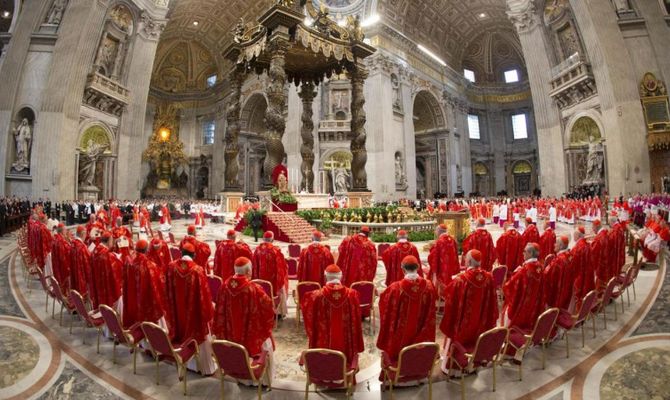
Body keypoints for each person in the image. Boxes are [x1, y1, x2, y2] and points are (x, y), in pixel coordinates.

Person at [212, 257, 275, 386]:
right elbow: (268, 308)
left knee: (235, 347)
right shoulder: (254, 288)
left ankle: (236, 374)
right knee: (265, 344)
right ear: (248, 272)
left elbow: (219, 310)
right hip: (251, 334)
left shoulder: (224, 286)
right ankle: (258, 381)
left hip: (231, 334)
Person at [440, 250, 498, 374]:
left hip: (463, 324)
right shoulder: (488, 277)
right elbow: (493, 300)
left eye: (465, 258)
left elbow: (449, 297)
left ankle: (455, 369)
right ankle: (476, 360)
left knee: (457, 334)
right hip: (481, 320)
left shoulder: (461, 280)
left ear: (469, 261)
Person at [164, 242, 216, 374]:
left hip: (177, 312)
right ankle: (204, 368)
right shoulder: (197, 270)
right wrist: (209, 313)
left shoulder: (171, 267)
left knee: (181, 330)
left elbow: (167, 291)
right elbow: (204, 296)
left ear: (181, 253)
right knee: (200, 335)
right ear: (194, 255)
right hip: (194, 314)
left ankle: (186, 361)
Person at [302, 265, 364, 369]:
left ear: (325, 276)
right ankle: (345, 370)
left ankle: (324, 371)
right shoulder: (352, 295)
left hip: (323, 340)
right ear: (341, 277)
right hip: (345, 341)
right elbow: (356, 321)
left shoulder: (315, 296)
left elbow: (308, 315)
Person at [377, 256, 436, 364]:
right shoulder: (429, 286)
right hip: (422, 332)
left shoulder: (395, 288)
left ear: (402, 269)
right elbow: (432, 310)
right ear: (418, 268)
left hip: (400, 336)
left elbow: (385, 306)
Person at [122, 240, 168, 329]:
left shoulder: (128, 260)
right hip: (145, 302)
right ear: (147, 250)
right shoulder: (149, 265)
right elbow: (158, 284)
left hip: (132, 298)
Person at [502, 243, 545, 330]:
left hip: (520, 307)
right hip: (533, 306)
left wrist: (511, 276)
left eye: (524, 251)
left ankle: (508, 337)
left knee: (506, 313)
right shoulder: (540, 266)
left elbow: (509, 286)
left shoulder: (524, 270)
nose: (522, 253)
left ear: (530, 254)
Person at [252, 231, 288, 317]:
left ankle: (261, 310)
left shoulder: (257, 250)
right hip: (273, 280)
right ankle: (277, 313)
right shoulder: (276, 250)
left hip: (260, 278)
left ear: (263, 239)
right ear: (272, 239)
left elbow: (254, 265)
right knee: (279, 289)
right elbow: (281, 267)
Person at [88, 232, 122, 310]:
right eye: (111, 240)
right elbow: (115, 268)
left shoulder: (96, 249)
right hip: (105, 285)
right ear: (108, 241)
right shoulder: (106, 254)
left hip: (98, 283)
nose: (112, 242)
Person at [427, 224, 460, 291]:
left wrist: (434, 268)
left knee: (443, 280)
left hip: (442, 268)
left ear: (439, 231)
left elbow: (434, 256)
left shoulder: (439, 241)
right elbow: (456, 253)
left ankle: (443, 294)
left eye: (436, 230)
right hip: (452, 265)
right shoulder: (452, 239)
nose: (435, 232)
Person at [543, 236, 572, 309]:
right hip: (565, 290)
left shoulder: (558, 260)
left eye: (556, 243)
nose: (554, 244)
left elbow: (547, 275)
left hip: (556, 293)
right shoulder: (569, 255)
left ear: (561, 246)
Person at [572, 225, 594, 304]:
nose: (573, 236)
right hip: (586, 274)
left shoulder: (577, 248)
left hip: (579, 276)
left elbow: (572, 265)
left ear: (578, 235)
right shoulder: (587, 244)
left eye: (574, 234)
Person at [69, 226, 91, 297]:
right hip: (82, 277)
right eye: (85, 234)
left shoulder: (72, 244)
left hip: (74, 275)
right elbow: (88, 262)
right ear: (82, 234)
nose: (86, 236)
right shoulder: (82, 247)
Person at [50, 223, 72, 294]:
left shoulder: (55, 238)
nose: (66, 231)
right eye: (65, 230)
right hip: (63, 268)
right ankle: (66, 293)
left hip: (57, 266)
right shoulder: (61, 242)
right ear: (62, 231)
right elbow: (66, 255)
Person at [590, 220, 610, 291]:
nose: (592, 229)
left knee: (600, 282)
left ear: (596, 226)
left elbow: (594, 252)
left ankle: (600, 294)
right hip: (605, 261)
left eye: (593, 227)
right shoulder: (604, 233)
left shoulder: (599, 237)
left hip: (601, 263)